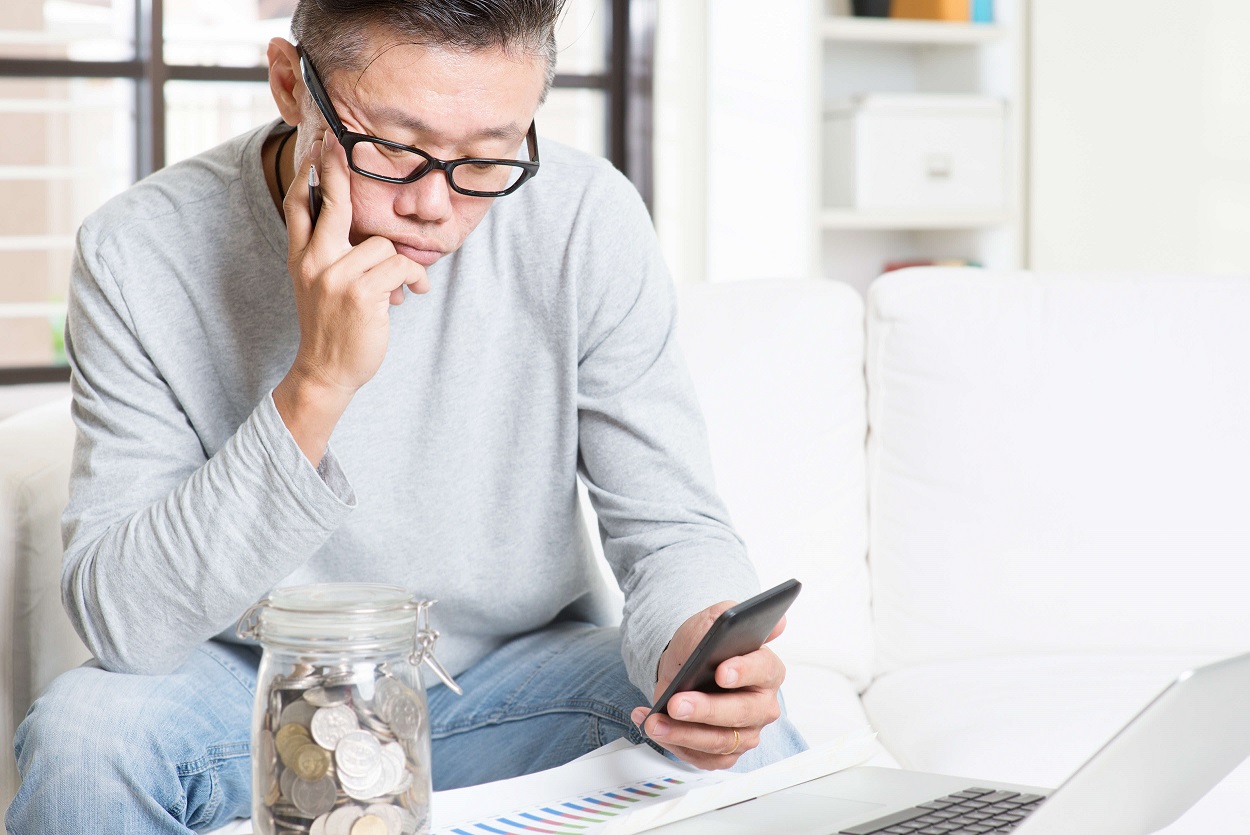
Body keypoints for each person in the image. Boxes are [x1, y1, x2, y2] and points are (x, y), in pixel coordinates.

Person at [6, 1, 805, 831]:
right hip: (252, 690)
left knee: (757, 738)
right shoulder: (138, 250)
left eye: (490, 155)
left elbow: (672, 528)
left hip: (515, 686)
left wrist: (696, 636)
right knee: (85, 739)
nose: (437, 206)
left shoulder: (585, 218)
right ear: (290, 83)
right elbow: (125, 623)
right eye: (392, 148)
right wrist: (316, 382)